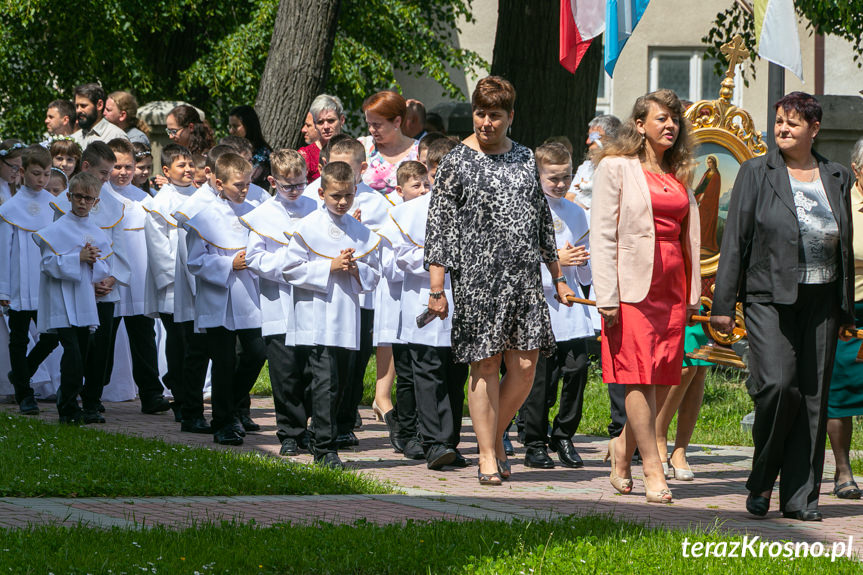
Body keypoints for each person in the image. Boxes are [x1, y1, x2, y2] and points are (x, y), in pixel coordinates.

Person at [424, 76, 575, 485]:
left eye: (495, 115)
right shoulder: (456, 161)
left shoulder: (526, 158)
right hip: (477, 281)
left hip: (524, 280)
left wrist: (558, 277)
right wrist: (438, 289)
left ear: (511, 117)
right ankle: (489, 455)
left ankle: (492, 435)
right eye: (480, 113)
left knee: (525, 367)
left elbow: (542, 222)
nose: (486, 122)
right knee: (486, 365)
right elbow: (440, 229)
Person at [711, 92, 855, 522]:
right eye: (778, 122)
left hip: (823, 300)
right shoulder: (757, 172)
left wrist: (844, 307)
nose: (783, 129)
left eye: (793, 123)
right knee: (777, 385)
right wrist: (723, 303)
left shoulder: (837, 175)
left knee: (813, 397)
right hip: (768, 297)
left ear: (815, 128)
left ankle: (801, 498)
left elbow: (843, 244)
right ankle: (761, 480)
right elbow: (734, 238)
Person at [591, 89, 701, 504]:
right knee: (637, 373)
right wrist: (607, 295)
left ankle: (622, 448)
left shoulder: (678, 171)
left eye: (675, 119)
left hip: (671, 286)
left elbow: (689, 236)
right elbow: (603, 233)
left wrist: (692, 292)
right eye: (661, 119)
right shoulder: (616, 167)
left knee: (659, 375)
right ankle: (652, 467)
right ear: (639, 125)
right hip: (631, 287)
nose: (670, 125)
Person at [282, 161, 381, 468]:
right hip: (316, 316)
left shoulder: (360, 232)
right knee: (325, 382)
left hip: (347, 317)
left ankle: (325, 434)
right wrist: (328, 267)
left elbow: (375, 274)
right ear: (322, 192)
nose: (342, 202)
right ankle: (325, 449)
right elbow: (290, 269)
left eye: (348, 196)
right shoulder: (308, 227)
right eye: (336, 196)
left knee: (341, 382)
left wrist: (356, 269)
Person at [521, 143, 593, 470]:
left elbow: (587, 267)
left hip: (571, 303)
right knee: (541, 378)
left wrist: (582, 261)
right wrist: (554, 260)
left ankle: (564, 433)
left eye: (566, 176)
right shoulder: (526, 209)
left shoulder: (577, 213)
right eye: (553, 178)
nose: (561, 184)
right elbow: (517, 261)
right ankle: (534, 441)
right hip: (539, 302)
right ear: (538, 175)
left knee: (577, 367)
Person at [186, 152, 266, 446]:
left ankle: (230, 406)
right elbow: (194, 262)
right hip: (218, 297)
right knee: (222, 360)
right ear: (219, 183)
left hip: (248, 295)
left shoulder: (255, 213)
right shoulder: (203, 219)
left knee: (257, 352)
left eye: (247, 184)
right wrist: (228, 264)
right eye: (237, 185)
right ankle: (222, 423)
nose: (244, 190)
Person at [50, 142, 132, 423]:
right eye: (104, 172)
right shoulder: (62, 204)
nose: (108, 178)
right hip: (75, 289)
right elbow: (59, 247)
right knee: (78, 350)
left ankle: (93, 401)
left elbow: (120, 250)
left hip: (105, 290)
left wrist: (110, 278)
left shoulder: (115, 206)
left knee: (101, 350)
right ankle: (70, 399)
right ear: (86, 167)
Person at [242, 149, 317, 456]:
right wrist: (289, 264)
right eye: (288, 186)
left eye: (299, 184)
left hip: (312, 300)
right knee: (285, 372)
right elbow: (255, 258)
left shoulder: (316, 208)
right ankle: (289, 431)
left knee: (312, 370)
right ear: (273, 181)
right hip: (278, 301)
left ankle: (309, 426)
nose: (295, 191)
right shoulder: (263, 216)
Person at [33, 172, 112, 423]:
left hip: (84, 300)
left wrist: (94, 264)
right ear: (68, 196)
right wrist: (77, 259)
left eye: (88, 198)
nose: (82, 202)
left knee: (83, 355)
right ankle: (67, 408)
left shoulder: (97, 232)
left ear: (95, 202)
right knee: (73, 356)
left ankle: (75, 406)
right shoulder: (54, 230)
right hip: (61, 299)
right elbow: (47, 264)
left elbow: (103, 268)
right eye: (78, 196)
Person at [101, 138, 171, 415]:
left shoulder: (145, 199)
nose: (123, 172)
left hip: (140, 278)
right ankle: (94, 390)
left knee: (143, 336)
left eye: (128, 166)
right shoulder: (100, 196)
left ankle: (151, 394)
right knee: (104, 338)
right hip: (110, 278)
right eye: (116, 166)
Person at [171, 145, 237, 433]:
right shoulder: (195, 205)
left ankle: (232, 410)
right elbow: (191, 255)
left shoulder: (230, 200)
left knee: (221, 353)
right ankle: (191, 411)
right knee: (198, 352)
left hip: (224, 288)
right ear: (211, 173)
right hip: (199, 286)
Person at [373, 161, 432, 457]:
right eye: (415, 185)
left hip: (427, 303)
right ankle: (406, 430)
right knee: (406, 372)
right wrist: (427, 262)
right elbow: (391, 269)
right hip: (400, 304)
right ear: (399, 190)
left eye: (426, 184)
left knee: (427, 370)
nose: (423, 190)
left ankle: (426, 429)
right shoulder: (393, 220)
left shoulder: (433, 215)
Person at [0, 145, 61, 415]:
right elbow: (3, 250)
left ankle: (22, 374)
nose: (42, 180)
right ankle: (25, 394)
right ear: (22, 172)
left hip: (47, 281)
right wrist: (3, 287)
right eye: (37, 173)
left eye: (47, 174)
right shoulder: (10, 208)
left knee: (52, 336)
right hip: (20, 283)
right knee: (19, 338)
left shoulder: (53, 203)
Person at [144, 143, 201, 428]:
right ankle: (179, 394)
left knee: (192, 342)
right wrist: (170, 281)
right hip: (171, 286)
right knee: (178, 341)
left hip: (196, 281)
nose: (188, 170)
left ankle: (187, 393)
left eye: (191, 164)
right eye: (181, 165)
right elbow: (157, 247)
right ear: (166, 170)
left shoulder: (201, 196)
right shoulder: (160, 202)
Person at [826, 136, 863, 501]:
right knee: (840, 393)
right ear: (856, 170)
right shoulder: (841, 205)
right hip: (848, 313)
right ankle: (842, 470)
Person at [359, 91, 420, 195]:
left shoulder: (420, 151)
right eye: (368, 124)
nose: (371, 129)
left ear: (397, 121)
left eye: (377, 124)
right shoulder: (362, 146)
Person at [570, 114, 622, 212]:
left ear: (612, 140)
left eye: (595, 137)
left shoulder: (621, 169)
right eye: (589, 136)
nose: (588, 141)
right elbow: (569, 197)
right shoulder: (585, 167)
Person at [299, 94, 346, 183]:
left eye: (331, 120)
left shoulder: (353, 148)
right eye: (320, 122)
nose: (326, 126)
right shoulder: (306, 155)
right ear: (315, 125)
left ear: (342, 120)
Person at [71, 83, 129, 149]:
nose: (78, 110)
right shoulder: (74, 139)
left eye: (83, 106)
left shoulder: (115, 136)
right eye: (76, 106)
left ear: (99, 105)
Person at [228, 105, 272, 188]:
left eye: (236, 126)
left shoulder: (262, 154)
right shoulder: (230, 148)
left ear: (248, 125)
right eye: (230, 126)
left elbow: (249, 182)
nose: (231, 131)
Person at [693, 155, 721, 254]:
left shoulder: (716, 176)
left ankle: (706, 244)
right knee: (699, 220)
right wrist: (696, 193)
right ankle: (699, 242)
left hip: (709, 203)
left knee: (706, 222)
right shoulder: (707, 173)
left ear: (714, 163)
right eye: (708, 162)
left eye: (711, 162)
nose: (709, 164)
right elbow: (702, 185)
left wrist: (704, 196)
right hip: (702, 199)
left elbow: (713, 191)